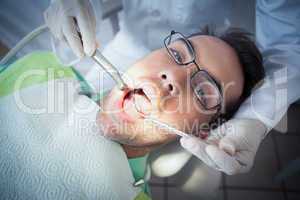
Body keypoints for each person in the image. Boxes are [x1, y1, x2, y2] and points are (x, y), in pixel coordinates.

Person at [43, 0, 300, 176]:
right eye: (178, 55)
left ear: (203, 132)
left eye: (203, 92)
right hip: (129, 39)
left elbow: (289, 42)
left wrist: (256, 117)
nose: (171, 79)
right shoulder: (48, 81)